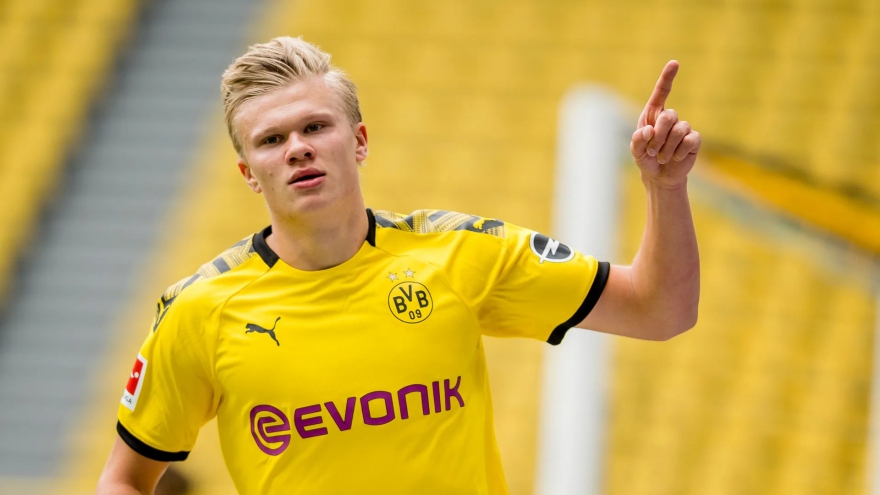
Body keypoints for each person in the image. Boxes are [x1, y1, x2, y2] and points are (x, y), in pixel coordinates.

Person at [97, 36, 700, 494]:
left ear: (359, 140)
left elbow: (661, 311)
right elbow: (124, 479)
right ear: (248, 173)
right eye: (271, 140)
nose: (298, 148)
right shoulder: (200, 310)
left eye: (315, 126)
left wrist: (665, 187)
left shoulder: (461, 253)